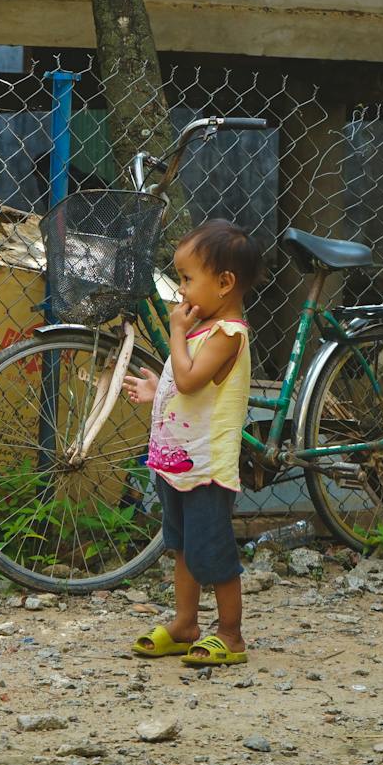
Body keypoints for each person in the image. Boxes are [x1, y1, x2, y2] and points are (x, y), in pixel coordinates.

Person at [122, 219, 262, 667]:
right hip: (177, 464)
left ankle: (231, 634)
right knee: (181, 545)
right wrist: (154, 390)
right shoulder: (204, 330)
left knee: (212, 551)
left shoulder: (227, 336)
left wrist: (175, 332)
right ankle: (185, 625)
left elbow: (188, 376)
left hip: (206, 468)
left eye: (187, 279)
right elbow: (185, 388)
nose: (181, 291)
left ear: (224, 283)